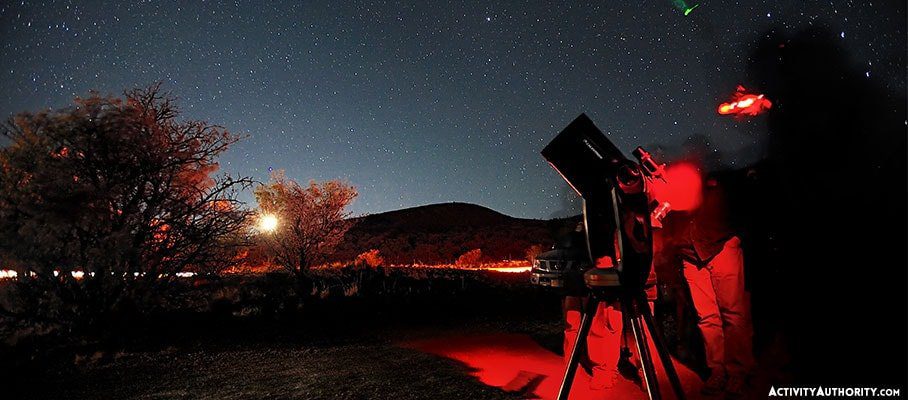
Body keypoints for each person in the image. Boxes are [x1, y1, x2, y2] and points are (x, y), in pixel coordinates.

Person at [660, 170, 755, 396]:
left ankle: (738, 372)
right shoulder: (666, 193)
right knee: (707, 317)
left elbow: (742, 206)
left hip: (721, 247)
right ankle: (717, 370)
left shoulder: (711, 183)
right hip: (690, 257)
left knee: (732, 313)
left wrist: (738, 236)